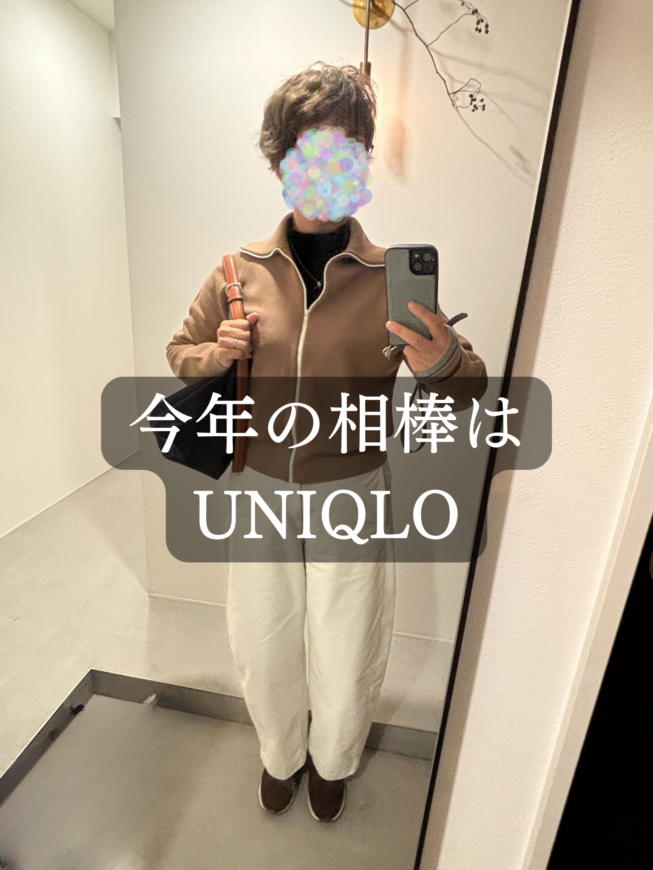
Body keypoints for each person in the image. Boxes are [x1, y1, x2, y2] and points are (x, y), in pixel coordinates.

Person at [166, 62, 487, 823]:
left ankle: (334, 761)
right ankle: (280, 753)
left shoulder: (389, 277)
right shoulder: (238, 271)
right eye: (308, 152)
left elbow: (467, 388)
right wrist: (217, 352)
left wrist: (438, 359)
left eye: (345, 152)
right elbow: (180, 353)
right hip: (259, 485)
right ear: (282, 161)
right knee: (264, 636)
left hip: (353, 487)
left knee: (348, 640)